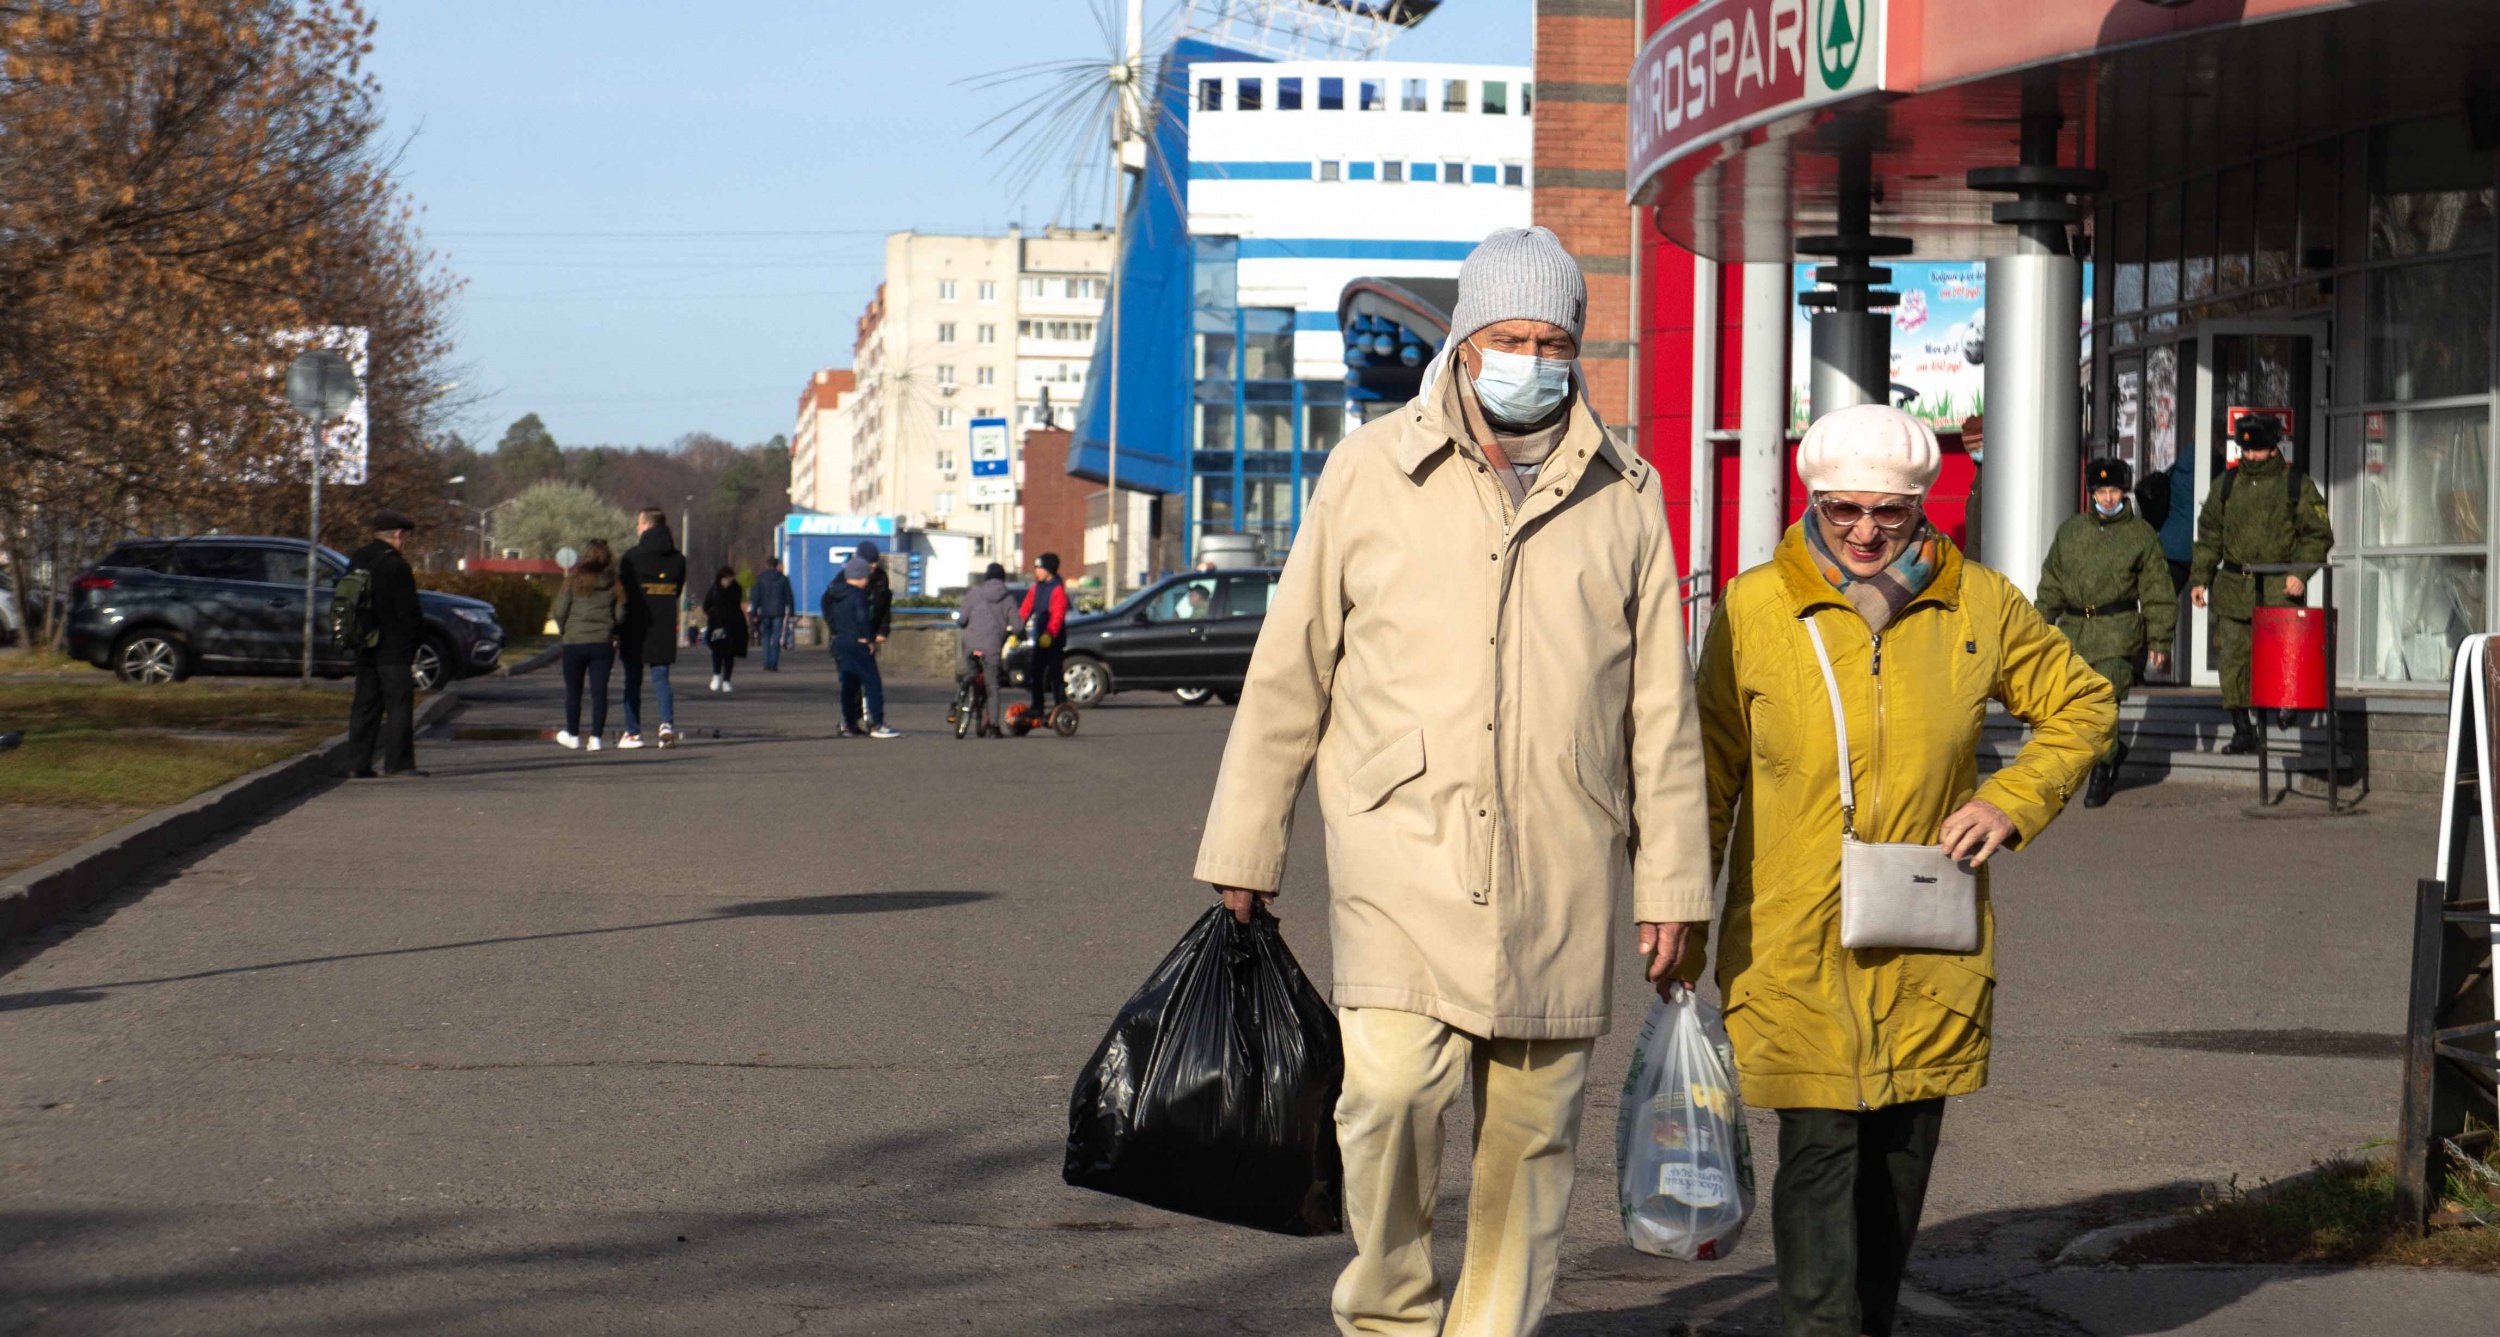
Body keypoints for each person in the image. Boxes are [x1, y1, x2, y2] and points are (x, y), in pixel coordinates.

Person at [1196, 226, 1711, 1337]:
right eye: (1510, 337)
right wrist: (1246, 845)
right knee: (1387, 1096)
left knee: (1532, 1139)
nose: (1533, 359)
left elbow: (1661, 708)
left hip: (1561, 855)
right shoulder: (1369, 468)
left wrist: (1674, 883)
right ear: (1465, 342)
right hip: (1401, 846)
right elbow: (1289, 669)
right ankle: (1388, 1313)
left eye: (1554, 341)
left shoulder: (1626, 491)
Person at [1693, 404, 2114, 1337]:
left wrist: (2010, 801)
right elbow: (1708, 771)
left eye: (1889, 510)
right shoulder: (1756, 607)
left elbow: (2083, 703)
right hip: (1793, 937)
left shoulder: (1979, 604)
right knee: (1818, 1152)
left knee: (1897, 1164)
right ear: (1813, 500)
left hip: (1926, 938)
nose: (1865, 531)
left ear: (1923, 503)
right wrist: (1677, 912)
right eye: (1843, 509)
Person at [2188, 414, 2334, 751]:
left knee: (2282, 653)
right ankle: (2243, 728)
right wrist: (2200, 578)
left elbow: (2317, 534)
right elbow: (2209, 535)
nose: (2251, 456)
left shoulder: (2296, 484)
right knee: (2233, 661)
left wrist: (2300, 572)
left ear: (2273, 448)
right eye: (2246, 450)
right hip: (2234, 586)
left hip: (2278, 587)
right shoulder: (2226, 485)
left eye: (2258, 449)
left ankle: (2285, 706)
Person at [2037, 457, 2177, 807]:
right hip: (2075, 632)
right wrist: (2038, 626)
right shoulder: (2071, 532)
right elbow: (2052, 584)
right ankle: (2113, 751)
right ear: (2091, 493)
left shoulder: (2140, 535)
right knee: (2080, 707)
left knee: (2104, 702)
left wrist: (2160, 640)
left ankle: (2102, 770)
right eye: (2101, 491)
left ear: (2124, 491)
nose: (2108, 498)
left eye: (2114, 490)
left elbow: (2157, 590)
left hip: (2118, 633)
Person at [345, 509, 427, 779]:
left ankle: (358, 763)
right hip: (393, 645)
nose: (405, 543)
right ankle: (398, 763)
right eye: (405, 538)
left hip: (364, 643)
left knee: (365, 703)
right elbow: (408, 610)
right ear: (398, 534)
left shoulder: (359, 558)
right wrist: (416, 639)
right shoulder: (396, 565)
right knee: (398, 703)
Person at [616, 507, 688, 750]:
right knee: (661, 679)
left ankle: (633, 733)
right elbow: (677, 590)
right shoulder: (678, 559)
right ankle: (666, 724)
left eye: (639, 524)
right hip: (664, 625)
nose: (637, 528)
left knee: (632, 681)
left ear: (646, 526)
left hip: (635, 625)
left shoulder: (631, 557)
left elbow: (623, 593)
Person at [548, 539, 622, 751]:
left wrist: (565, 630)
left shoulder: (573, 580)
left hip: (575, 642)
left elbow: (560, 610)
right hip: (602, 643)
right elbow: (621, 614)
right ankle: (596, 738)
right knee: (599, 692)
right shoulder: (615, 583)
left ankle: (573, 735)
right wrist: (613, 631)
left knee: (574, 691)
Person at [823, 553, 899, 739]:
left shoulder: (835, 594)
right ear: (860, 577)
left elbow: (830, 615)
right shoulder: (858, 596)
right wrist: (868, 638)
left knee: (849, 684)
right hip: (857, 642)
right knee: (872, 683)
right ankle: (877, 723)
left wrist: (836, 631)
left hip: (841, 640)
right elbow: (862, 618)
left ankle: (849, 724)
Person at [958, 560, 1015, 738]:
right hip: (991, 647)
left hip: (971, 644)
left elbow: (961, 620)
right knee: (992, 686)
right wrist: (1018, 633)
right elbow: (1018, 626)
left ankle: (963, 692)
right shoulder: (1007, 598)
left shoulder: (974, 593)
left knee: (972, 672)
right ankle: (994, 727)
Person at [1018, 552, 1070, 711]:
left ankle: (1060, 704)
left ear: (1049, 570)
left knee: (1055, 674)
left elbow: (1057, 615)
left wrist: (1049, 633)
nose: (1037, 571)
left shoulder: (1057, 590)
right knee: (1036, 672)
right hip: (1040, 638)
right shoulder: (1036, 588)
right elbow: (1025, 609)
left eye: (1040, 568)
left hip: (1053, 639)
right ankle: (1037, 705)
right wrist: (1017, 628)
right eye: (1036, 568)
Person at [701, 566, 748, 693]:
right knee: (717, 652)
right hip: (716, 625)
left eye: (730, 578)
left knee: (729, 654)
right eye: (726, 579)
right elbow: (706, 605)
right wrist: (712, 615)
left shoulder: (736, 588)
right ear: (721, 578)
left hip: (732, 626)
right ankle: (716, 675)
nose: (728, 581)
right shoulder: (715, 589)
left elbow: (735, 606)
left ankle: (727, 680)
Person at [750, 555, 794, 672]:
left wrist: (754, 613)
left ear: (766, 565)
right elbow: (789, 596)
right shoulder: (783, 579)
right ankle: (774, 663)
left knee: (766, 637)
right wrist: (791, 611)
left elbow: (756, 597)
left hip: (765, 612)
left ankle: (767, 662)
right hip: (778, 611)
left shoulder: (760, 579)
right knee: (776, 637)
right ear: (777, 565)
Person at [856, 539, 894, 646]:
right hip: (853, 636)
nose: (874, 565)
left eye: (875, 562)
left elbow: (885, 606)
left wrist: (883, 631)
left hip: (872, 633)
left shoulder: (881, 577)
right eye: (870, 562)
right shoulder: (848, 577)